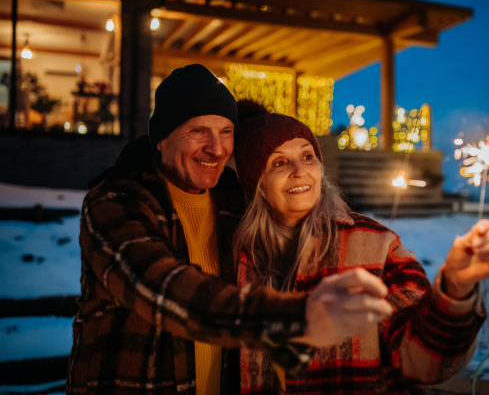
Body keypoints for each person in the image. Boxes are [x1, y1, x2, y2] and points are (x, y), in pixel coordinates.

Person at [67, 65, 392, 395]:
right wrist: (289, 318)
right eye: (198, 131)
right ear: (162, 140)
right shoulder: (115, 201)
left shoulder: (231, 200)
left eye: (225, 132)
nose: (217, 148)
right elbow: (160, 286)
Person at [231, 99, 489, 394]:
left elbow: (425, 360)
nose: (300, 171)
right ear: (256, 182)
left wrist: (454, 290)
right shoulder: (239, 259)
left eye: (308, 156)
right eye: (280, 162)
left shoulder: (375, 245)